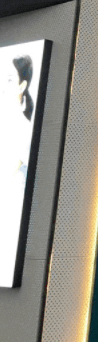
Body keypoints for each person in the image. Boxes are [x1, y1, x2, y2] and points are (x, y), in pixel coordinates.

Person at [0, 53, 35, 287]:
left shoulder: (23, 129)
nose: (3, 84)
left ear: (22, 85)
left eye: (10, 79)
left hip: (9, 218)